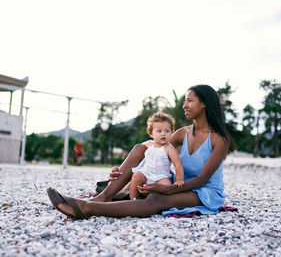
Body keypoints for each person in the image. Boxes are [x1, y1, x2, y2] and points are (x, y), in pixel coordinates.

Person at [47, 84, 233, 219]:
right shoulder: (183, 133)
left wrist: (168, 190)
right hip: (178, 183)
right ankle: (104, 197)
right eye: (185, 101)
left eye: (190, 101)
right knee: (140, 148)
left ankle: (87, 208)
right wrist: (119, 172)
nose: (184, 105)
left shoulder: (219, 139)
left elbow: (201, 180)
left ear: (204, 104)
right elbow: (150, 147)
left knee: (156, 200)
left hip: (204, 192)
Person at [129, 112, 184, 200]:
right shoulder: (150, 144)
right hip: (146, 174)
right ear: (151, 133)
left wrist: (179, 179)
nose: (163, 134)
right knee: (136, 175)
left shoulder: (169, 148)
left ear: (171, 132)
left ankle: (155, 199)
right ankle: (133, 199)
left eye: (167, 131)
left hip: (161, 177)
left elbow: (178, 164)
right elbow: (139, 146)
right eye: (159, 131)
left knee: (167, 184)